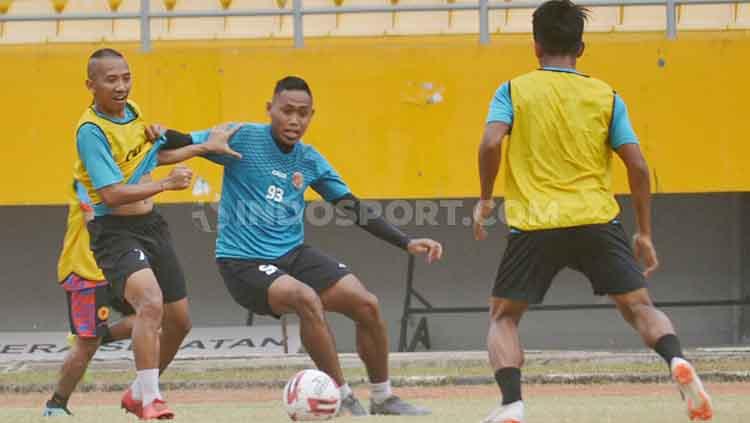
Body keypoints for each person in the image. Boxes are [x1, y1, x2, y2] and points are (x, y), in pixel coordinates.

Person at [472, 2, 713, 422]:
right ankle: (676, 361)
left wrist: (486, 198)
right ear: (581, 48)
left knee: (504, 317)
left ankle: (512, 404)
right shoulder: (606, 95)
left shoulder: (512, 90)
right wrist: (645, 233)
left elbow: (491, 144)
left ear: (535, 46)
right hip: (597, 220)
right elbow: (638, 166)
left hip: (536, 223)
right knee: (640, 307)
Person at [159, 76, 443, 416]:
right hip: (242, 263)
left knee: (366, 304)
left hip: (292, 255)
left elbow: (351, 206)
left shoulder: (309, 160)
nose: (294, 121)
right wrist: (156, 133)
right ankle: (343, 397)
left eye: (303, 114)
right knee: (306, 299)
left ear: (311, 116)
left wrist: (407, 242)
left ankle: (383, 397)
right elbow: (181, 141)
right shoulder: (242, 137)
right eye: (287, 111)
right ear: (270, 109)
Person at [73, 48, 240, 420]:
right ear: (91, 85)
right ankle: (152, 399)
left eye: (125, 77)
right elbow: (112, 195)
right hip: (114, 231)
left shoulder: (132, 111)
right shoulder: (91, 131)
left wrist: (202, 148)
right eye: (110, 79)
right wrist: (165, 185)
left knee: (180, 321)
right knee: (150, 301)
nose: (120, 86)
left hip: (151, 227)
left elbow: (151, 158)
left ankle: (138, 393)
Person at [42, 180, 135, 417]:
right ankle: (56, 405)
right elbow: (92, 219)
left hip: (112, 267)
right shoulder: (85, 179)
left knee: (152, 314)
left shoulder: (120, 172)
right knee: (87, 343)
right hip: (86, 272)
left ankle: (93, 338)